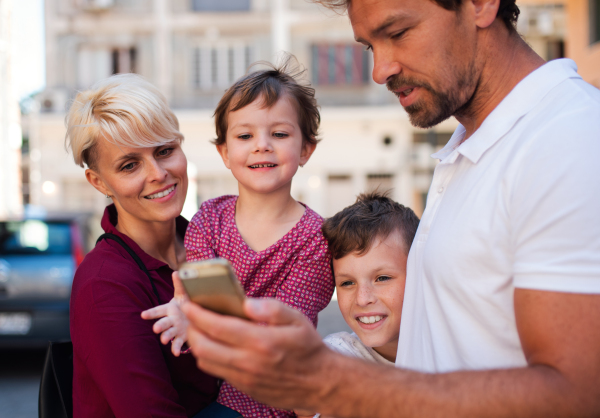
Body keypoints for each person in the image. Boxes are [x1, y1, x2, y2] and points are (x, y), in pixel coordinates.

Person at [180, 0, 600, 416]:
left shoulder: (568, 140)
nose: (380, 71)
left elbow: (579, 394)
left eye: (397, 33)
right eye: (369, 48)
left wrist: (333, 380)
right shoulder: (474, 149)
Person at [142, 57, 335, 418]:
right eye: (245, 136)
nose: (261, 145)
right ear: (225, 153)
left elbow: (281, 331)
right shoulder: (208, 220)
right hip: (204, 391)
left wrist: (200, 318)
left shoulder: (316, 239)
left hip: (274, 401)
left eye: (279, 134)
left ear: (305, 149)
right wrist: (184, 310)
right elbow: (195, 299)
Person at [66, 74, 219, 417]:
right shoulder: (104, 284)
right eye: (130, 165)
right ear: (99, 181)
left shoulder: (214, 243)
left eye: (165, 151)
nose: (158, 173)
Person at [296, 192, 419, 418]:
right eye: (347, 283)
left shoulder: (454, 351)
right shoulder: (336, 358)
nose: (363, 299)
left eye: (382, 278)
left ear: (421, 275)